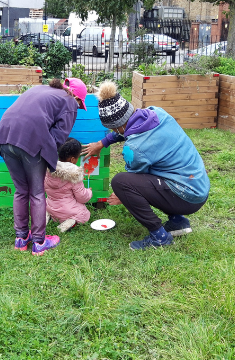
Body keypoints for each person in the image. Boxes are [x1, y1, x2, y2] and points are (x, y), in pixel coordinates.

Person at [82, 81, 210, 250]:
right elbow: (129, 128)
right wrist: (103, 142)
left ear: (119, 126)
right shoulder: (156, 113)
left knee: (121, 182)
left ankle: (159, 236)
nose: (114, 133)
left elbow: (133, 180)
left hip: (187, 196)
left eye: (113, 130)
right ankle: (178, 222)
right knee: (156, 174)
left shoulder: (134, 148)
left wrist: (123, 195)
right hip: (197, 184)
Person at [0, 78, 88, 256]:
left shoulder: (41, 89)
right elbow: (58, 138)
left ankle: (21, 238)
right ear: (77, 98)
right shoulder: (69, 102)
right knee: (37, 192)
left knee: (21, 190)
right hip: (30, 140)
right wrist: (47, 157)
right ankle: (39, 242)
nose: (77, 107)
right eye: (79, 104)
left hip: (4, 136)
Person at [45, 138, 93, 233]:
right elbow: (82, 198)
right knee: (85, 214)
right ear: (72, 159)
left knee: (49, 206)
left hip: (50, 205)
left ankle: (48, 214)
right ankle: (71, 221)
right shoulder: (74, 174)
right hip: (68, 210)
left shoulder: (48, 169)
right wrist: (89, 192)